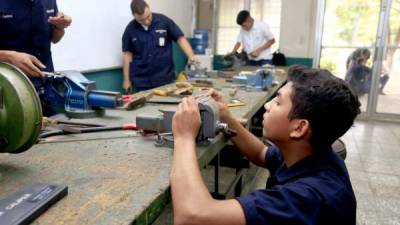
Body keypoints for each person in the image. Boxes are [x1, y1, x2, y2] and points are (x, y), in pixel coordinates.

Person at [171, 65, 360, 225]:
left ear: (299, 128)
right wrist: (225, 115)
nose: (268, 105)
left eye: (278, 102)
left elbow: (191, 215)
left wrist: (184, 137)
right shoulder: (310, 155)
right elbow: (261, 152)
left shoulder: (306, 198)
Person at [0, 0, 72, 115]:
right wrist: (8, 57)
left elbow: (55, 38)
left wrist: (60, 27)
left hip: (48, 92)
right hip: (9, 96)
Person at [122, 0, 196, 93]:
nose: (147, 21)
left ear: (149, 8)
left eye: (148, 16)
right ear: (134, 15)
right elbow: (127, 55)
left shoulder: (164, 21)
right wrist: (126, 80)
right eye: (141, 20)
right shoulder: (130, 29)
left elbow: (180, 38)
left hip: (165, 79)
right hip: (142, 82)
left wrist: (191, 56)